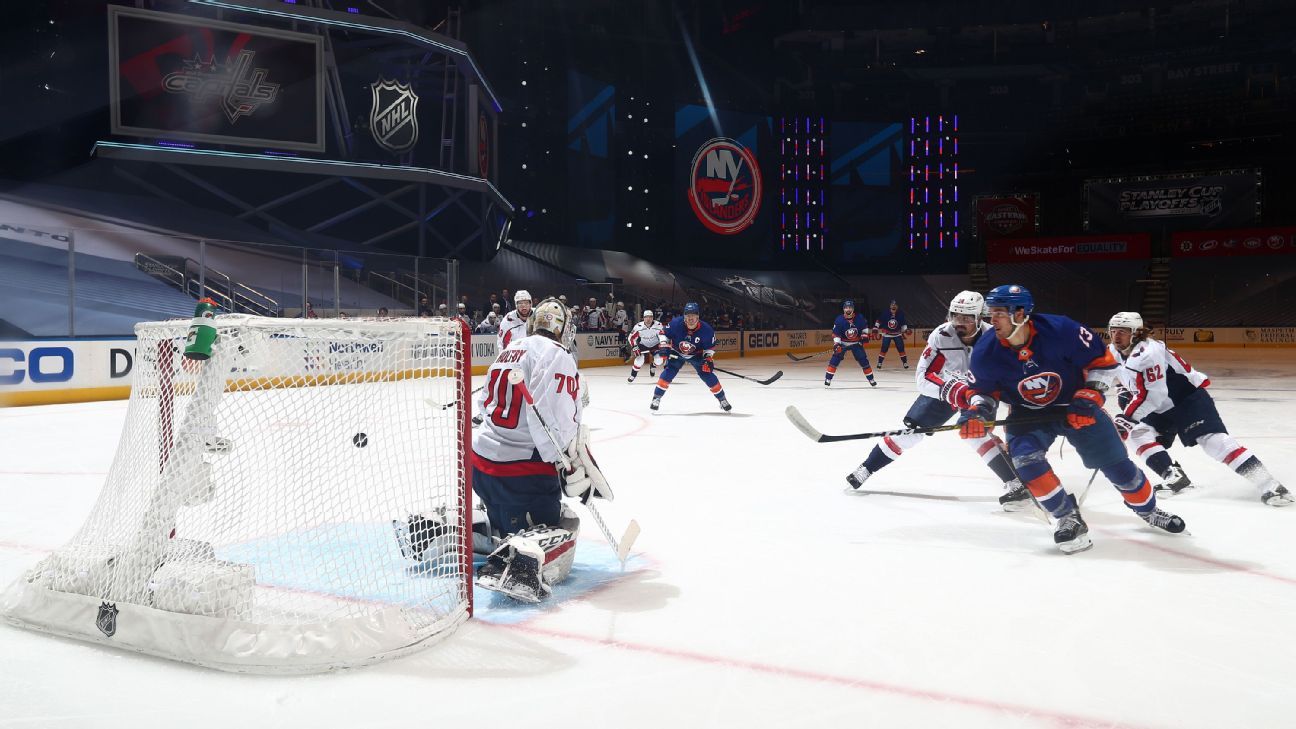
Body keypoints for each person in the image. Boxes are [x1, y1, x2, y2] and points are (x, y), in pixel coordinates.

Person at [958, 284, 1186, 554]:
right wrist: (976, 413)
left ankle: (1148, 510)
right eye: (990, 314)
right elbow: (982, 391)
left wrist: (1088, 398)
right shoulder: (986, 350)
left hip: (1076, 406)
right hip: (1027, 413)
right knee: (1026, 462)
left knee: (1118, 468)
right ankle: (1067, 518)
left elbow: (1102, 365)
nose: (991, 321)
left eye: (998, 313)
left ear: (1020, 314)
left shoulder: (1062, 330)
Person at [465, 298, 610, 602]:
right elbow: (552, 419)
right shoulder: (557, 354)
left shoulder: (510, 349)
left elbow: (484, 406)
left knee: (505, 524)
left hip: (481, 468)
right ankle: (520, 562)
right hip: (521, 476)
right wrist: (568, 465)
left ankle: (462, 533)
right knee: (564, 524)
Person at [845, 292, 1029, 510]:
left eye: (967, 318)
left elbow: (1011, 375)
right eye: (955, 316)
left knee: (976, 434)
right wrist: (951, 390)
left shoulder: (995, 339)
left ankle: (1016, 484)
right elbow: (922, 379)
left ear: (980, 318)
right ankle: (867, 468)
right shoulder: (941, 335)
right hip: (946, 390)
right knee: (910, 433)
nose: (960, 323)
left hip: (980, 391)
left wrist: (1015, 408)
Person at [1107, 311, 1291, 506]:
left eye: (1123, 331)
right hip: (1159, 406)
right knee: (1137, 434)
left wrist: (1128, 417)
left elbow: (1155, 394)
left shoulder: (1147, 354)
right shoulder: (1113, 350)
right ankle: (1173, 476)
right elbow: (1110, 374)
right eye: (1113, 331)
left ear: (1136, 333)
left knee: (1214, 442)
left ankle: (1270, 485)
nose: (1117, 336)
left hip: (1187, 399)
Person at [651, 302, 731, 412]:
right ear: (684, 316)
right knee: (669, 372)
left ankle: (722, 399)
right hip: (677, 353)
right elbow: (662, 333)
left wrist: (708, 359)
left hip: (696, 355)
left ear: (698, 316)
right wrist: (664, 344)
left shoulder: (707, 330)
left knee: (707, 375)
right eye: (688, 315)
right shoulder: (676, 323)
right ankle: (656, 398)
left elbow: (710, 348)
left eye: (693, 315)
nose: (690, 318)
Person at [824, 299, 877, 388]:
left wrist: (864, 336)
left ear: (853, 309)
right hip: (843, 343)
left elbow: (864, 328)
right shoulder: (839, 320)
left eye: (850, 307)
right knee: (835, 360)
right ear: (844, 309)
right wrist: (837, 344)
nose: (848, 309)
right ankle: (828, 379)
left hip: (856, 343)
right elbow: (836, 334)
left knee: (863, 360)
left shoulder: (859, 318)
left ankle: (871, 379)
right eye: (846, 308)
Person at [626, 309, 667, 382]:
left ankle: (653, 365)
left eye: (650, 317)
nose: (648, 319)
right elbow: (631, 338)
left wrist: (663, 343)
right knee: (639, 360)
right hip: (643, 345)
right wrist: (635, 347)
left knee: (659, 361)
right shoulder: (638, 326)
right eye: (646, 317)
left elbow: (662, 335)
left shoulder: (658, 325)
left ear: (652, 318)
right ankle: (633, 375)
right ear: (643, 318)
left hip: (655, 345)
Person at [874, 300, 909, 369]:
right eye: (892, 305)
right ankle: (879, 362)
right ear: (890, 306)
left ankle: (905, 362)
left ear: (897, 307)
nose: (893, 306)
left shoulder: (900, 314)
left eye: (895, 305)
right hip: (887, 334)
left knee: (901, 348)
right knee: (884, 348)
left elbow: (903, 323)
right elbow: (879, 320)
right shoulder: (885, 313)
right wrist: (875, 327)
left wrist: (905, 329)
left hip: (897, 334)